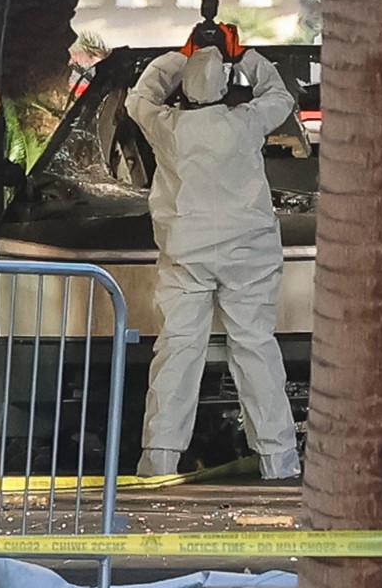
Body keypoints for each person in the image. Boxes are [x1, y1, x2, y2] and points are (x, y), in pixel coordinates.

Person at [125, 43, 301, 480]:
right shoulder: (245, 122)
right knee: (256, 350)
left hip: (186, 254)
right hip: (250, 256)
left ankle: (159, 459)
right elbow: (279, 97)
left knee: (178, 352)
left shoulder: (168, 127)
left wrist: (177, 58)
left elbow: (139, 98)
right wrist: (245, 55)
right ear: (225, 87)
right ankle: (279, 462)